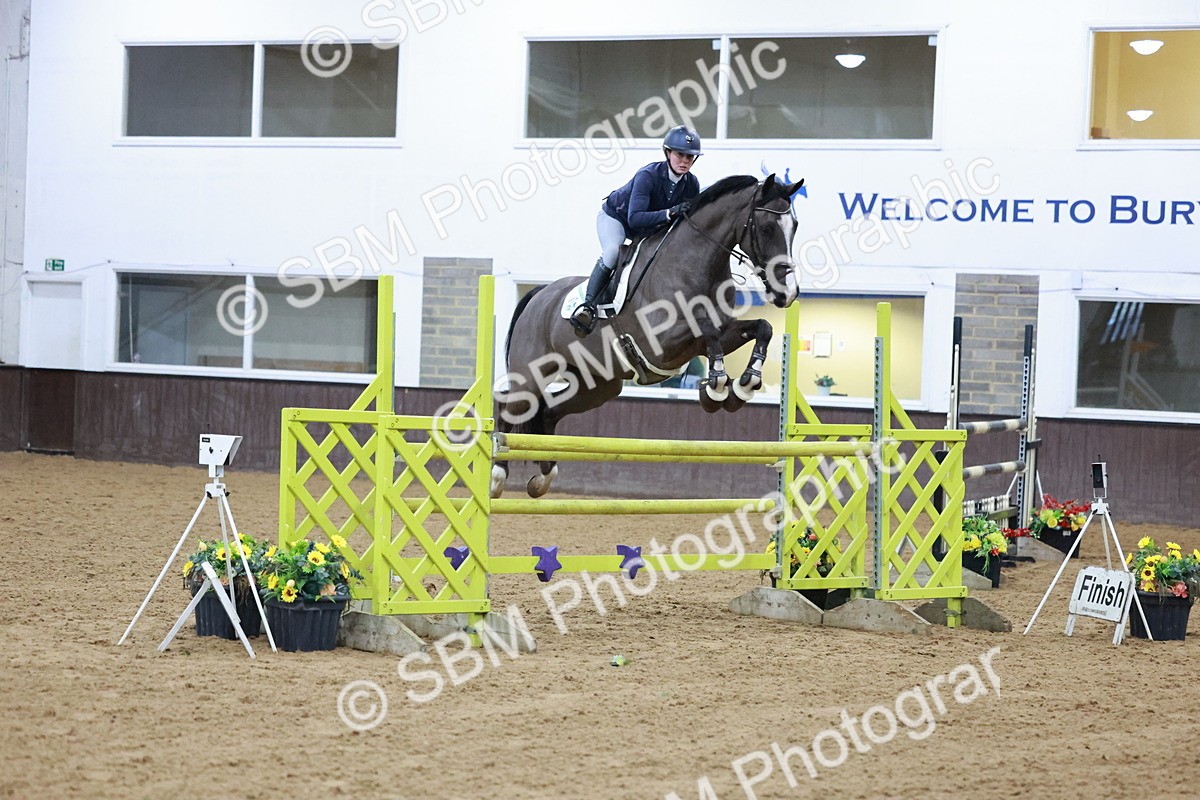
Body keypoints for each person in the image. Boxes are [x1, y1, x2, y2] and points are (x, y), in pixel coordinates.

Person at [570, 125, 702, 336]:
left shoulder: (691, 184)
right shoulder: (647, 175)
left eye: (690, 156)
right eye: (680, 154)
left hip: (648, 229)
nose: (685, 161)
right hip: (617, 219)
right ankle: (587, 306)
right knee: (613, 251)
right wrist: (669, 213)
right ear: (667, 153)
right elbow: (635, 218)